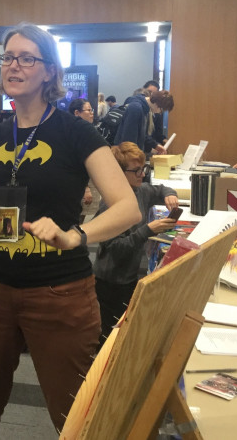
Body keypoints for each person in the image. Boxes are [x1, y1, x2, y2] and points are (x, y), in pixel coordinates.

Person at [0, 22, 140, 438]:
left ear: (49, 71)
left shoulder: (76, 133)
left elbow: (128, 207)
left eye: (27, 57)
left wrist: (75, 236)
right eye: (8, 57)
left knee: (77, 416)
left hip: (58, 293)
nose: (14, 65)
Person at [93, 142, 178, 339]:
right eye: (136, 170)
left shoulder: (141, 191)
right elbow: (114, 249)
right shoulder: (110, 204)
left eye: (144, 168)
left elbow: (161, 189)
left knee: (123, 328)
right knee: (110, 333)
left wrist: (170, 195)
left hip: (128, 275)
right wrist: (147, 230)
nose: (142, 174)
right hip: (111, 280)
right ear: (119, 172)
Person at [114, 88, 174, 154]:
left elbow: (141, 134)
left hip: (131, 153)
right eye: (161, 110)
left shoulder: (144, 109)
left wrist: (155, 145)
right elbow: (129, 140)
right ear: (157, 104)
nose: (159, 113)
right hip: (126, 155)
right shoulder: (136, 108)